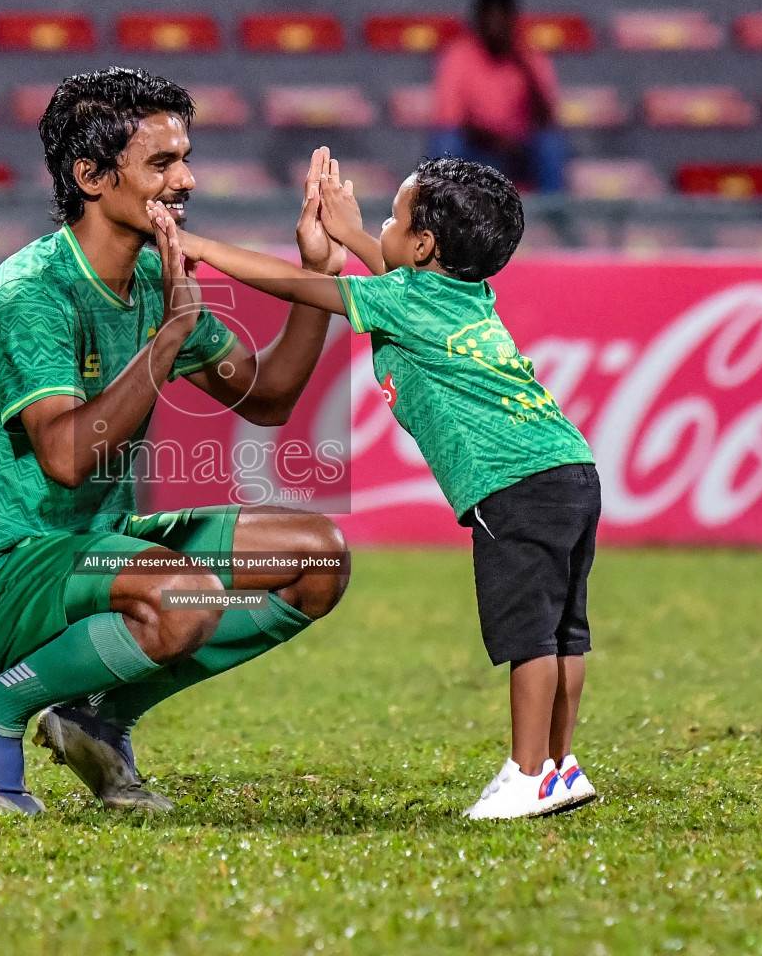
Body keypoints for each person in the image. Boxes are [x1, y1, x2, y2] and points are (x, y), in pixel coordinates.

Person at [0, 67, 351, 815]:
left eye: (184, 157)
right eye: (161, 163)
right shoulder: (33, 295)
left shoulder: (154, 278)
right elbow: (65, 457)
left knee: (312, 558)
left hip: (100, 550)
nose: (185, 179)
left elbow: (268, 395)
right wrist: (172, 334)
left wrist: (315, 273)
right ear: (90, 175)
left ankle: (95, 715)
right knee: (184, 595)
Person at [146, 156, 601, 820]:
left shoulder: (405, 298)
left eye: (396, 217)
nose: (383, 225)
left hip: (513, 483)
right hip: (570, 471)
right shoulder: (464, 292)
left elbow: (299, 285)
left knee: (529, 636)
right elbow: (400, 274)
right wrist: (359, 233)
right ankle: (560, 766)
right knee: (565, 633)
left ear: (423, 246)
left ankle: (525, 773)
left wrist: (198, 246)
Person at [430, 0, 568, 193]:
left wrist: (525, 69)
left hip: (519, 151)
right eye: (489, 19)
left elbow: (547, 119)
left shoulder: (530, 56)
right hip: (475, 148)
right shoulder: (458, 56)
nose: (495, 27)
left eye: (501, 19)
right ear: (478, 22)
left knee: (551, 144)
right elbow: (451, 120)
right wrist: (495, 141)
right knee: (446, 142)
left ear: (512, 22)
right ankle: (440, 214)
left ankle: (554, 216)